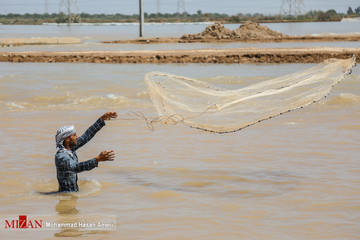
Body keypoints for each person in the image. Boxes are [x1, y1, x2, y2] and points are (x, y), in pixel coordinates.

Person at [55, 111, 118, 193]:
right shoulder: (61, 156)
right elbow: (76, 167)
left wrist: (102, 119)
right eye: (74, 135)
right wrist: (97, 160)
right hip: (65, 195)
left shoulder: (70, 149)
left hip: (71, 194)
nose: (77, 137)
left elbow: (86, 136)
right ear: (67, 139)